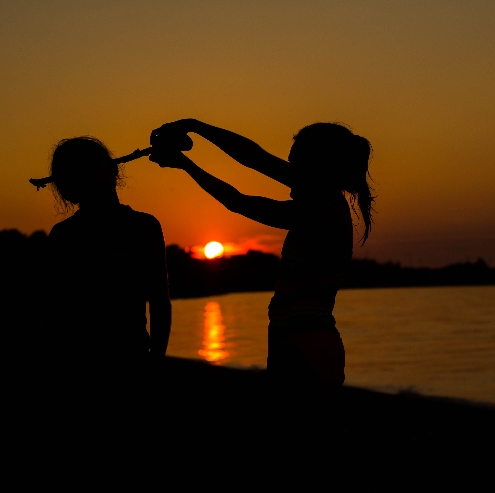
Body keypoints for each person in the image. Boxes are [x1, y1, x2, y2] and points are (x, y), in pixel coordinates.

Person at [148, 120, 374, 442]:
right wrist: (194, 127)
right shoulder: (324, 201)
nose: (288, 171)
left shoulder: (320, 214)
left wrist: (185, 163)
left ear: (317, 167)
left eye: (295, 163)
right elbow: (254, 157)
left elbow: (239, 202)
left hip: (303, 347)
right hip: (305, 343)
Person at [39, 136, 171, 436]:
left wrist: (154, 364)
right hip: (79, 372)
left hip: (129, 364)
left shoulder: (144, 227)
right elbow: (52, 313)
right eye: (79, 173)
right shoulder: (64, 237)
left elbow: (159, 302)